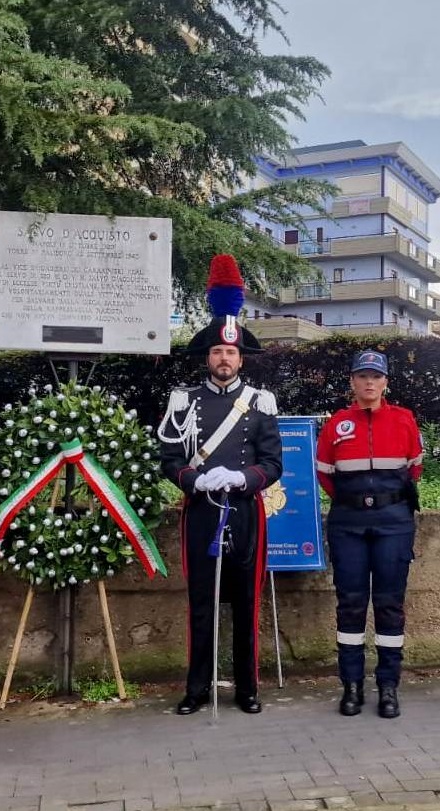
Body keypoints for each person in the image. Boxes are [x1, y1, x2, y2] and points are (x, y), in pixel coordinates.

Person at [158, 254, 283, 716]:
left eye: (231, 352)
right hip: (202, 512)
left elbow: (273, 463)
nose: (224, 358)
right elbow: (169, 459)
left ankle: (247, 688)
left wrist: (243, 478)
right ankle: (197, 687)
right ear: (207, 357)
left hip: (246, 512)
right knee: (200, 605)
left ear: (240, 357)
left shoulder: (260, 402)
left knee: (247, 605)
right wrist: (195, 480)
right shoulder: (182, 401)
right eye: (216, 352)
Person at [315, 350, 423, 719]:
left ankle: (388, 686)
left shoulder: (404, 420)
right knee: (351, 603)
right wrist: (355, 502)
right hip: (348, 523)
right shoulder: (337, 424)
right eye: (362, 376)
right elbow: (325, 474)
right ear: (353, 382)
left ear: (385, 382)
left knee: (390, 604)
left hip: (394, 521)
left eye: (376, 376)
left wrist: (385, 502)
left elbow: (415, 470)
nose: (369, 382)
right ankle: (352, 686)